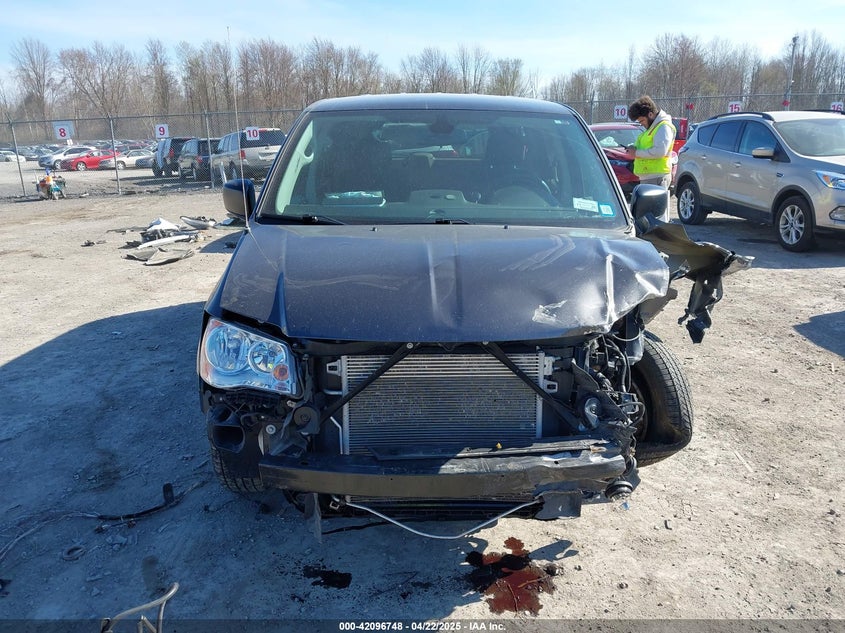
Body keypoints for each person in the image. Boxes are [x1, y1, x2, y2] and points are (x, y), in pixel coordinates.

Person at [625, 96, 676, 221]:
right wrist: (633, 148)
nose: (642, 124)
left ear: (651, 114)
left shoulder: (663, 127)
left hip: (657, 176)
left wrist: (637, 152)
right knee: (648, 217)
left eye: (642, 120)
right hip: (649, 176)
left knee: (657, 217)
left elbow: (660, 151)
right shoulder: (653, 128)